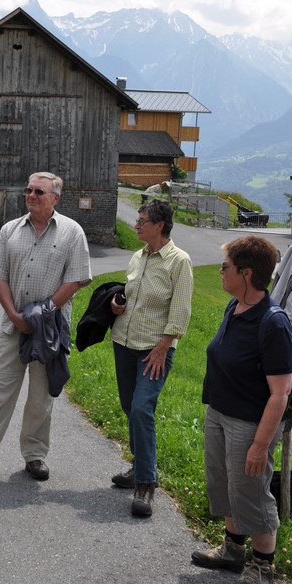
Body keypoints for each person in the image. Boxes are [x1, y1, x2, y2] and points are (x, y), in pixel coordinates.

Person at [0, 172, 92, 482]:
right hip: (13, 327)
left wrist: (43, 312)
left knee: (41, 398)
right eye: (28, 190)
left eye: (39, 191)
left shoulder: (72, 232)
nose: (31, 195)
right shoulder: (9, 230)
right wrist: (15, 315)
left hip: (49, 330)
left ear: (55, 198)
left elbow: (76, 280)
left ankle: (35, 456)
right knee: (0, 394)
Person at [191, 236, 292, 584]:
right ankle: (233, 548)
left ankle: (263, 567)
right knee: (223, 484)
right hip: (219, 413)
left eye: (226, 267)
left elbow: (280, 393)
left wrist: (260, 445)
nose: (221, 272)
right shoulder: (234, 307)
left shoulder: (273, 323)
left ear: (246, 273)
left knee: (250, 492)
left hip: (250, 424)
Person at [110, 198, 193, 516]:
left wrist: (164, 347)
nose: (136, 225)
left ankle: (146, 483)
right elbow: (131, 296)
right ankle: (139, 467)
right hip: (124, 343)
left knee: (142, 409)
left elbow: (181, 310)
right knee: (129, 407)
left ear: (159, 225)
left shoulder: (179, 261)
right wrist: (117, 305)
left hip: (154, 351)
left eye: (141, 221)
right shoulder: (137, 256)